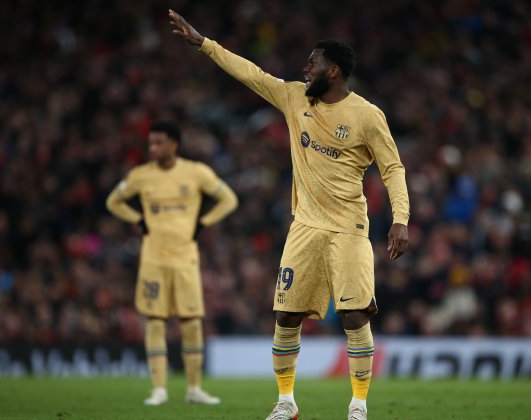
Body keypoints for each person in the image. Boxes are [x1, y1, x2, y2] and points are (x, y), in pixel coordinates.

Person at [169, 9, 409, 420]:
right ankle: (285, 403)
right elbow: (251, 74)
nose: (305, 67)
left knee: (353, 314)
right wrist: (203, 43)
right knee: (286, 314)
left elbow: (393, 169)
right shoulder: (295, 96)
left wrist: (401, 219)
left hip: (349, 229)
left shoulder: (367, 116)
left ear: (332, 71)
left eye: (312, 62)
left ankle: (358, 406)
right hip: (305, 226)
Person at [106, 121, 238, 406]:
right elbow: (113, 202)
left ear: (174, 144)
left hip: (185, 260)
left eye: (158, 143)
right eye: (150, 143)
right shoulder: (140, 176)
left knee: (191, 323)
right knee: (155, 321)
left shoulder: (195, 172)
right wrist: (138, 219)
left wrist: (204, 223)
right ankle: (159, 389)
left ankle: (194, 389)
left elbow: (229, 199)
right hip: (153, 259)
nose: (153, 148)